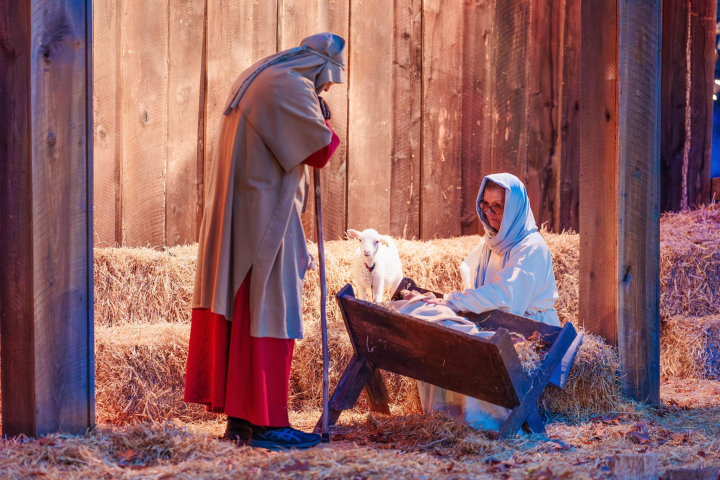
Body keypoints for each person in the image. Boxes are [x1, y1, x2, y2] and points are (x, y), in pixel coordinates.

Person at [183, 32, 345, 450]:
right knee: (270, 310)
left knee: (246, 312)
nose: (326, 88)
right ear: (318, 68)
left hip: (248, 208)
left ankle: (242, 423)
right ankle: (270, 424)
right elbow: (320, 150)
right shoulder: (289, 85)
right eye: (327, 81)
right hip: (265, 215)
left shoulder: (261, 76)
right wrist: (327, 121)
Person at [420, 172, 560, 430]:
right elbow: (477, 287)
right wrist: (455, 304)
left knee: (478, 351)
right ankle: (446, 418)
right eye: (485, 204)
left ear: (516, 209)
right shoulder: (491, 243)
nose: (489, 212)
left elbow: (508, 297)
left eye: (498, 206)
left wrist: (455, 301)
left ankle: (481, 425)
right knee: (441, 337)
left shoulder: (531, 247)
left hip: (529, 331)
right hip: (496, 321)